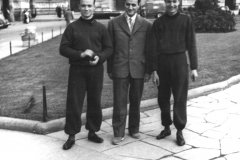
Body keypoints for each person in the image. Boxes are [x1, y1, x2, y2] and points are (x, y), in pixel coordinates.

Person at [59, 0, 112, 150]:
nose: (86, 9)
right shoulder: (72, 27)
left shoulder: (101, 28)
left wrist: (99, 57)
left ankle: (92, 131)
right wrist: (81, 54)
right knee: (74, 102)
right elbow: (63, 49)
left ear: (94, 8)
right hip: (77, 70)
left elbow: (109, 48)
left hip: (96, 70)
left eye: (89, 6)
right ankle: (71, 135)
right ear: (79, 7)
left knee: (95, 101)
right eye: (83, 6)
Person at [149, 0, 198, 146]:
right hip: (162, 64)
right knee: (163, 98)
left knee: (180, 98)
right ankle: (166, 127)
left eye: (174, 1)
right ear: (165, 2)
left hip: (180, 63)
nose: (172, 4)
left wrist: (194, 68)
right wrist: (154, 70)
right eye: (169, 1)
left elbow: (192, 44)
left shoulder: (186, 20)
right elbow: (152, 48)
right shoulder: (158, 22)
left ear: (179, 2)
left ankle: (179, 131)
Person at [107, 0, 151, 145]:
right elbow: (110, 48)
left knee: (136, 101)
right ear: (124, 5)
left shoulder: (146, 24)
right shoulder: (114, 23)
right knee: (119, 102)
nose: (130, 7)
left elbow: (149, 50)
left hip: (139, 68)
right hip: (120, 68)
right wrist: (110, 69)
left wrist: (148, 71)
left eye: (133, 4)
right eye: (128, 4)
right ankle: (118, 133)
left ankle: (134, 129)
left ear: (138, 6)